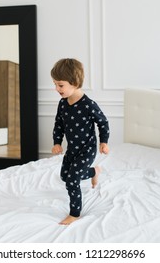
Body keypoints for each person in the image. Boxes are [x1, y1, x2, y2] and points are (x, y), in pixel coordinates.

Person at [51, 58, 110, 225]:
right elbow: (59, 124)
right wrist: (57, 142)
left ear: (74, 82)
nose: (56, 89)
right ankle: (93, 172)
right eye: (55, 84)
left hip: (87, 149)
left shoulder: (88, 105)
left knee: (72, 180)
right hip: (72, 149)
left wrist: (103, 142)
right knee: (65, 176)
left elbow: (103, 122)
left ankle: (74, 213)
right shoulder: (63, 104)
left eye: (60, 85)